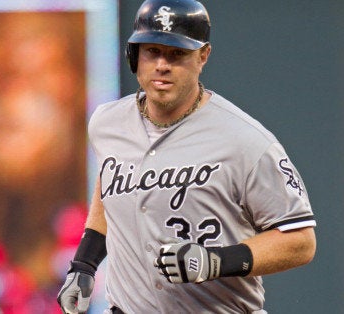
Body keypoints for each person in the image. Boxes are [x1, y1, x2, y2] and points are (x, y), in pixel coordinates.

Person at [58, 0, 317, 313]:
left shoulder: (246, 140)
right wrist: (84, 264)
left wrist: (215, 261)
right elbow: (110, 188)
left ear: (203, 56)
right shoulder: (107, 123)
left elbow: (300, 240)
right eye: (152, 51)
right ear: (134, 55)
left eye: (177, 53)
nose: (162, 65)